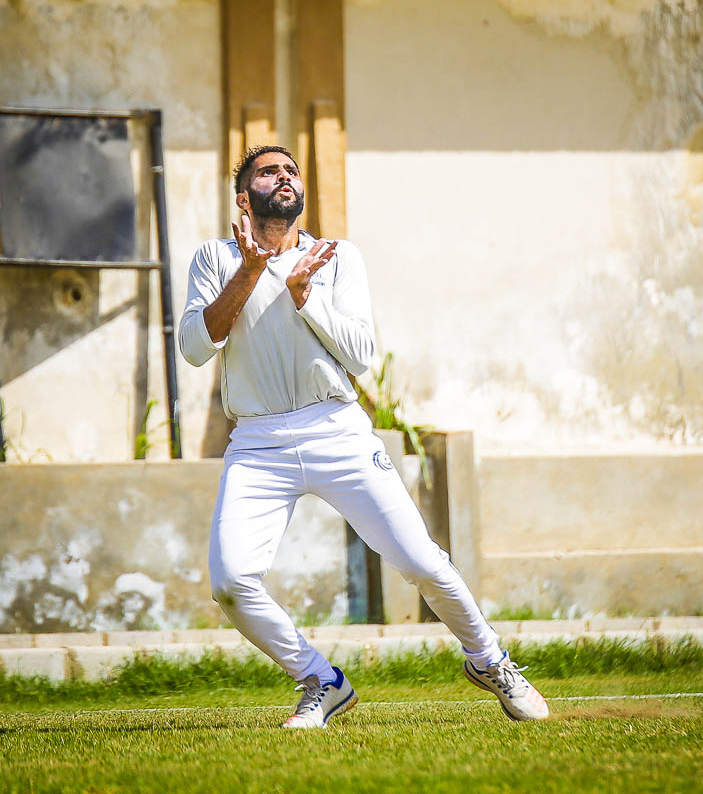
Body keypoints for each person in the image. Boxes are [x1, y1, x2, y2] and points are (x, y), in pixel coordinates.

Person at [179, 145, 549, 729]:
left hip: (337, 428)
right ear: (244, 197)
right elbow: (195, 347)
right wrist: (249, 273)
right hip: (258, 440)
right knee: (230, 582)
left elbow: (360, 355)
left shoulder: (336, 257)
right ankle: (321, 681)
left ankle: (491, 661)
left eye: (291, 170)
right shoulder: (215, 257)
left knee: (422, 562)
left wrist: (306, 297)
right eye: (269, 172)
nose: (284, 177)